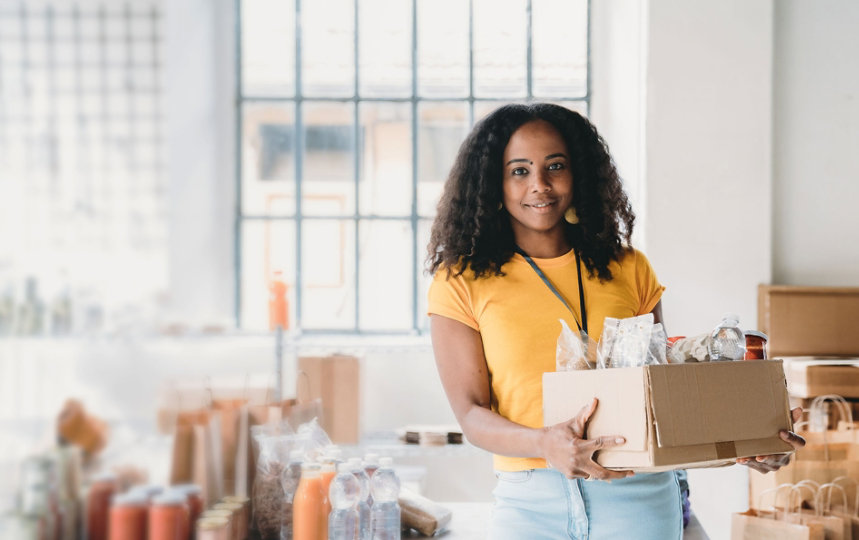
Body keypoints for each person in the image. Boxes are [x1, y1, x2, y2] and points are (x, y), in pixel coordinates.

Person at [425, 103, 805, 539]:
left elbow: (662, 393)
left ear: (579, 173)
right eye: (519, 171)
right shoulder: (461, 281)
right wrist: (543, 443)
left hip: (637, 495)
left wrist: (750, 441)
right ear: (493, 181)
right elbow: (472, 414)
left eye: (555, 166)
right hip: (532, 503)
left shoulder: (629, 268)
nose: (540, 185)